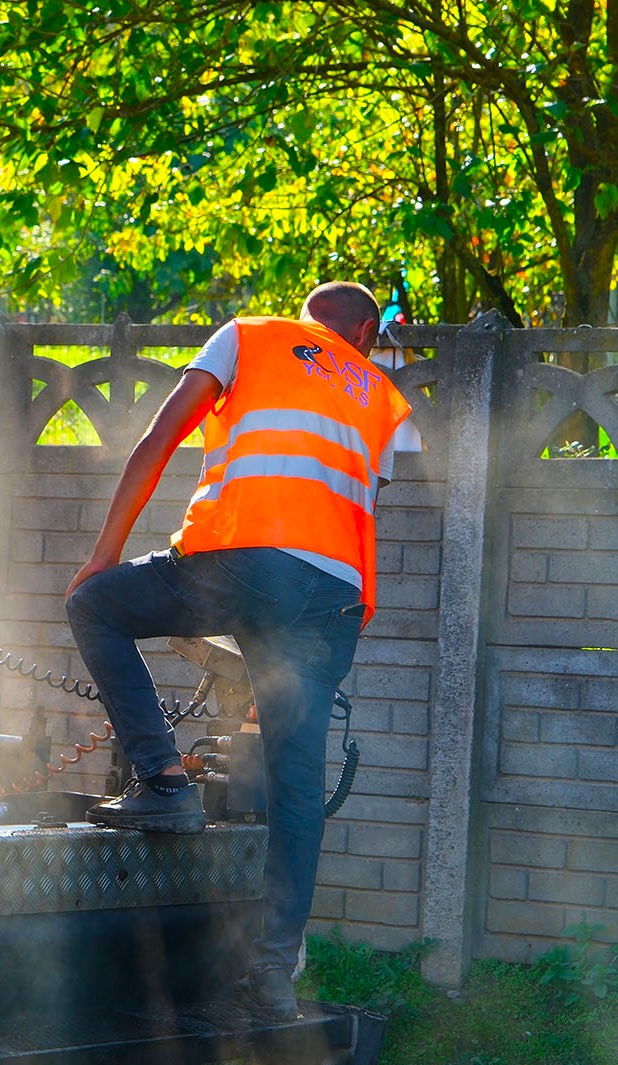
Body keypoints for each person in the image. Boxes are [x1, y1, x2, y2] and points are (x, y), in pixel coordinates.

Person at [62, 281, 422, 1019]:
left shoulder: (249, 336)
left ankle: (163, 783)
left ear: (311, 316)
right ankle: (271, 977)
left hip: (242, 564)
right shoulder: (381, 396)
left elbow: (158, 441)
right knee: (297, 787)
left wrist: (105, 552)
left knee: (94, 605)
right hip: (333, 601)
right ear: (362, 329)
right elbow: (347, 503)